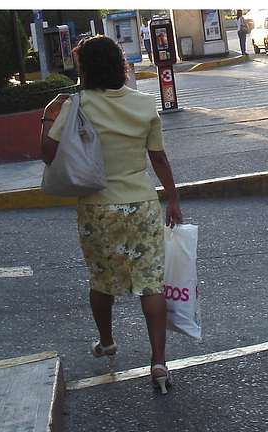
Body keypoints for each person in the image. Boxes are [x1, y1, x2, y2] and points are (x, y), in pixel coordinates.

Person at [40, 35, 183, 394]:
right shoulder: (144, 104)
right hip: (142, 203)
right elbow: (159, 159)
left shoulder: (76, 106)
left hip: (97, 207)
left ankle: (107, 342)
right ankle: (159, 363)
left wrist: (46, 116)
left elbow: (48, 154)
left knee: (102, 280)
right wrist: (174, 200)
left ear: (85, 70)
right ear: (119, 66)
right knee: (150, 282)